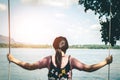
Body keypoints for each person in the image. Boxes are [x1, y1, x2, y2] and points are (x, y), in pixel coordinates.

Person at [7, 36, 113, 80]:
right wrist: (105, 62)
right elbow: (89, 68)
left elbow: (30, 66)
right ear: (66, 47)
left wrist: (13, 59)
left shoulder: (48, 60)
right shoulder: (71, 61)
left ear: (54, 46)